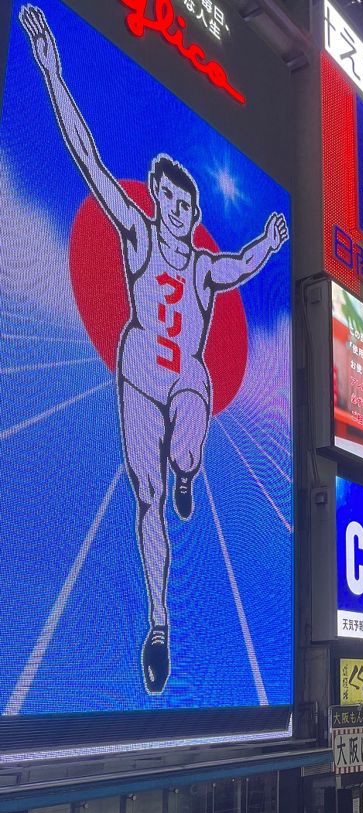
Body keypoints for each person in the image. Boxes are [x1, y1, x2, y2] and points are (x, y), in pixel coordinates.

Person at [19, 5, 289, 695]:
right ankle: (161, 623)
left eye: (176, 200)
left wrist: (271, 240)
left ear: (189, 212)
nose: (166, 205)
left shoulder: (201, 265)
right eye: (162, 195)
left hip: (186, 381)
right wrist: (51, 70)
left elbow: (243, 264)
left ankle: (188, 469)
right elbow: (90, 161)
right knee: (147, 499)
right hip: (140, 372)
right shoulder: (136, 236)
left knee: (186, 448)